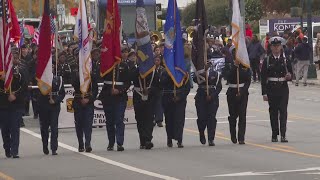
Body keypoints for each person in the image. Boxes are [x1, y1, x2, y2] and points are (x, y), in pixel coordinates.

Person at [261, 37, 293, 143]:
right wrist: (264, 93)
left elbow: (291, 73)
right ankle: (274, 134)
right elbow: (263, 77)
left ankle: (283, 134)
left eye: (278, 46)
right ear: (270, 47)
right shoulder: (267, 60)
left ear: (281, 47)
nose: (276, 48)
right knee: (273, 112)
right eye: (274, 46)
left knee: (283, 112)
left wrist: (290, 76)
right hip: (271, 88)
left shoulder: (285, 59)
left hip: (283, 88)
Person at [100, 47, 131, 151]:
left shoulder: (124, 66)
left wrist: (119, 90)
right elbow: (100, 78)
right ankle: (111, 142)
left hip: (120, 97)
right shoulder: (106, 66)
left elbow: (127, 82)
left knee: (119, 120)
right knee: (109, 121)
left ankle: (119, 143)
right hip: (107, 96)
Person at [0, 48, 28, 158]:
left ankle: (15, 150)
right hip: (3, 104)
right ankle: (7, 147)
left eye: (15, 57)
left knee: (15, 128)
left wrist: (15, 95)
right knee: (5, 129)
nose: (13, 59)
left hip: (16, 104)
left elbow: (24, 85)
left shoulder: (21, 70)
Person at [71, 53, 98, 153]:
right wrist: (79, 75)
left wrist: (89, 99)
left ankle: (88, 143)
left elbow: (95, 90)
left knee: (88, 123)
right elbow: (73, 84)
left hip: (88, 102)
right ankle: (80, 144)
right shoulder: (75, 71)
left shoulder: (91, 75)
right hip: (78, 101)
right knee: (79, 124)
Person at [38, 61, 65, 155]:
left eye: (52, 66)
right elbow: (37, 94)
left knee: (54, 127)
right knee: (44, 128)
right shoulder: (41, 79)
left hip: (54, 106)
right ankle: (45, 146)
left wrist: (55, 100)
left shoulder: (59, 79)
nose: (51, 68)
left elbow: (62, 93)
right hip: (44, 105)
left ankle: (54, 148)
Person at [227, 48, 251, 144]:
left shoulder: (245, 65)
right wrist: (234, 66)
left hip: (243, 93)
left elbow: (248, 80)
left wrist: (243, 91)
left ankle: (241, 137)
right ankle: (233, 135)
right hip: (232, 92)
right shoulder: (229, 65)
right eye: (234, 53)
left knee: (242, 115)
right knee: (233, 116)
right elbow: (228, 77)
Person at [194, 63, 222, 146]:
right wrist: (204, 72)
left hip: (212, 97)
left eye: (209, 62)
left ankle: (211, 138)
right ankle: (201, 133)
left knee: (212, 118)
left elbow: (219, 87)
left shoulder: (216, 74)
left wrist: (212, 96)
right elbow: (195, 80)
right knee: (201, 117)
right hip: (201, 96)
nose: (208, 64)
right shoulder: (200, 73)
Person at [160, 71, 190, 148]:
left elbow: (187, 88)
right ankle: (169, 139)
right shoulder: (165, 72)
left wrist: (179, 97)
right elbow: (162, 83)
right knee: (169, 120)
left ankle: (179, 140)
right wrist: (171, 75)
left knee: (179, 120)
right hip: (168, 98)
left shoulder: (182, 72)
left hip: (180, 99)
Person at [152, 55, 164, 127]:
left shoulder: (162, 69)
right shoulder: (151, 69)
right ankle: (153, 119)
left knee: (159, 105)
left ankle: (159, 120)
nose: (156, 61)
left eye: (158, 60)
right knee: (152, 105)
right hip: (152, 89)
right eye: (155, 60)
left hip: (160, 89)